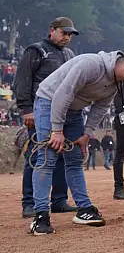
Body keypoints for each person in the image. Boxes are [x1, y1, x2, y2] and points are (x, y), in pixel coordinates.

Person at [29, 48, 124, 235]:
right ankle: (40, 216)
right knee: (47, 157)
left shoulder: (116, 83)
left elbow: (100, 107)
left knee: (75, 159)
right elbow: (63, 93)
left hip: (74, 110)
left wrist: (86, 135)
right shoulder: (91, 65)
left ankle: (84, 209)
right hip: (49, 101)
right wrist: (56, 130)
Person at [14, 17, 78, 218]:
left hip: (63, 112)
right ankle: (30, 202)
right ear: (52, 30)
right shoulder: (36, 50)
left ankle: (59, 200)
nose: (67, 37)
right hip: (39, 110)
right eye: (63, 33)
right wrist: (26, 109)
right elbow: (22, 80)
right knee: (37, 155)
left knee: (62, 154)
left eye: (70, 34)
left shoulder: (69, 54)